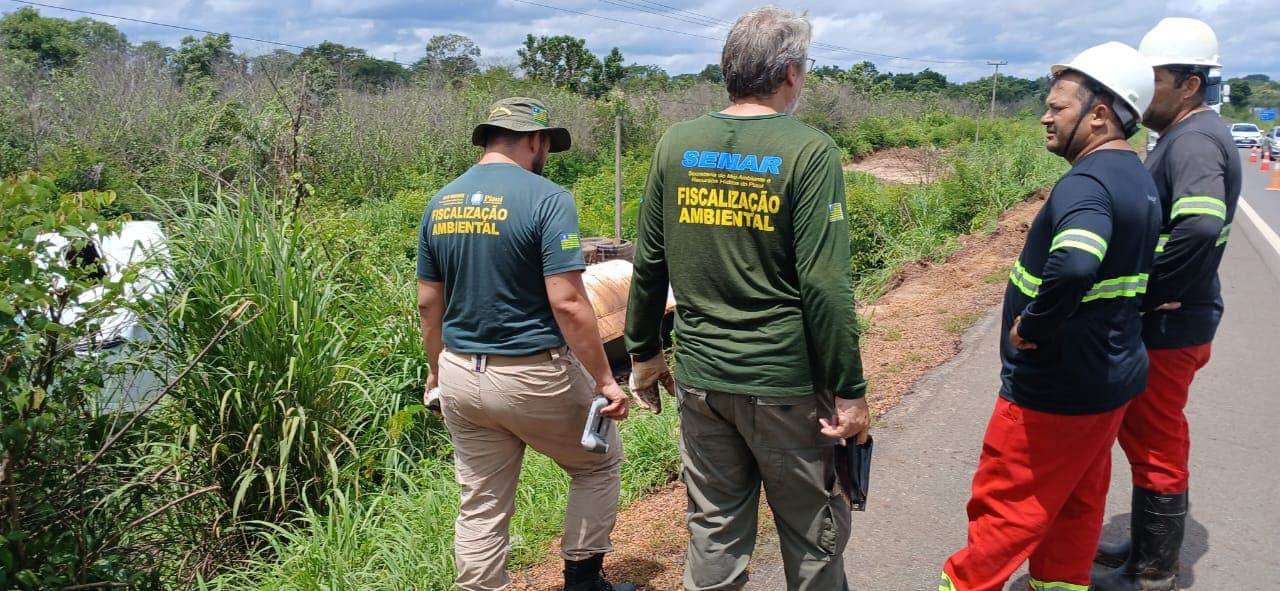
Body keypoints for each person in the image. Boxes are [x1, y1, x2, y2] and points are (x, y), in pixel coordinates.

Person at [624, 7, 870, 591]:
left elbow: (649, 261)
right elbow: (826, 286)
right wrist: (851, 390)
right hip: (785, 388)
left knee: (713, 530)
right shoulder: (809, 151)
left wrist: (642, 352)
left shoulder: (678, 144)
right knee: (813, 533)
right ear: (790, 72)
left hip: (704, 382)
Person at [938, 42, 1161, 591]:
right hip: (1107, 378)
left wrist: (1029, 325)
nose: (1045, 115)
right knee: (1077, 505)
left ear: (1100, 114)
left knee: (1006, 513)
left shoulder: (1086, 184)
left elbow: (1078, 262)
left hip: (1054, 389)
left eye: (1058, 107)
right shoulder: (1136, 176)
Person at [417, 97, 636, 591]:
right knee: (598, 462)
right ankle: (582, 580)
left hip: (459, 374)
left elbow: (429, 304)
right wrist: (605, 380)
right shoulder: (546, 197)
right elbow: (569, 303)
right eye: (546, 145)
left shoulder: (441, 201)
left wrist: (435, 372)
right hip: (533, 372)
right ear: (535, 140)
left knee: (482, 500)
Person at [1091, 18, 1241, 591]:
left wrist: (1147, 294)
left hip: (1172, 321)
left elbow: (1200, 225)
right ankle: (1146, 551)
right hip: (1179, 317)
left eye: (1152, 78)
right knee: (1147, 433)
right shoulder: (1185, 134)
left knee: (1155, 437)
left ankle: (1151, 571)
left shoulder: (1196, 140)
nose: (1140, 89)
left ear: (1189, 83)